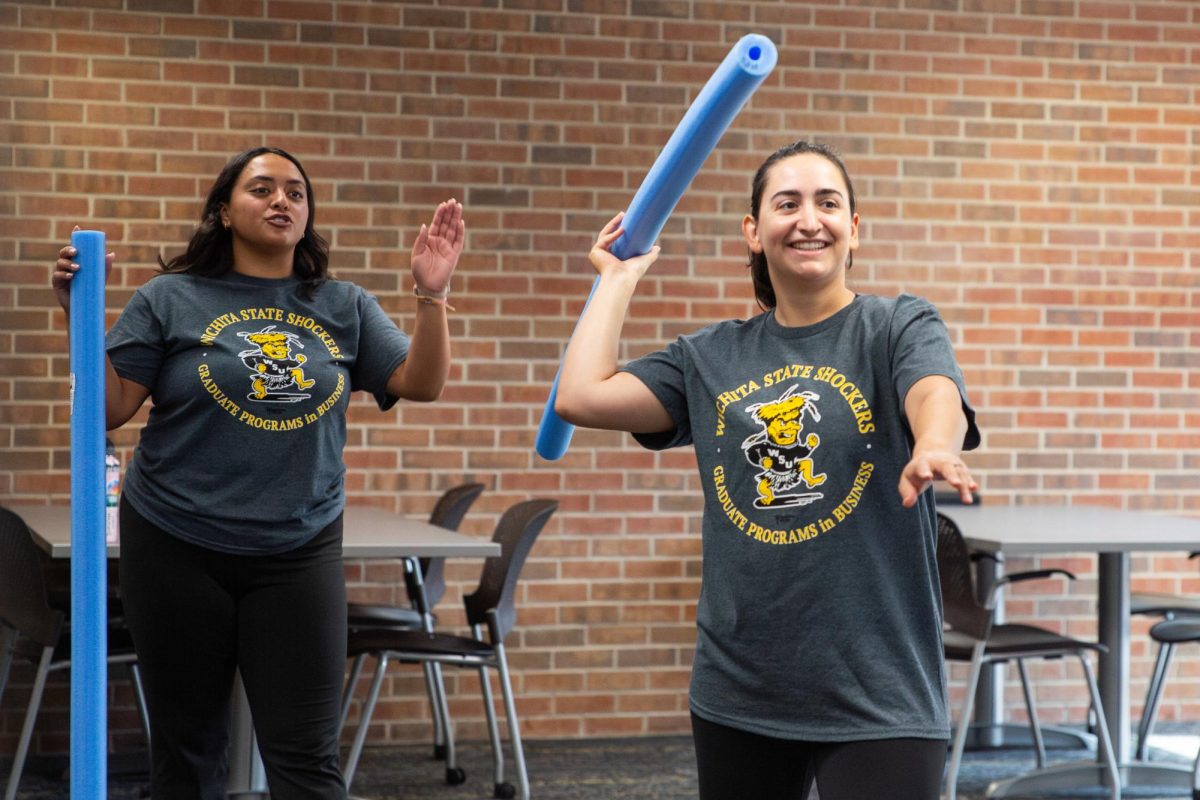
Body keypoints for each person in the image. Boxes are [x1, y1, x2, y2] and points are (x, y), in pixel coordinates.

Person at [555, 139, 980, 800]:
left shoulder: (895, 324)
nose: (808, 219)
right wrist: (617, 279)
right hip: (742, 686)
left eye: (827, 202)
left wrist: (933, 442)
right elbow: (581, 395)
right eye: (787, 204)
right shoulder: (711, 358)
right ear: (754, 231)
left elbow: (933, 390)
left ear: (854, 228)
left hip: (881, 687)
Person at [51, 146, 464, 800]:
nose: (282, 201)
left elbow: (423, 381)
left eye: (296, 193)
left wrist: (431, 293)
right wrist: (80, 315)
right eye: (263, 189)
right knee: (188, 758)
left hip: (298, 549)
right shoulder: (171, 298)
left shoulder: (342, 305)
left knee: (306, 760)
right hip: (175, 541)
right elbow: (110, 408)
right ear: (223, 211)